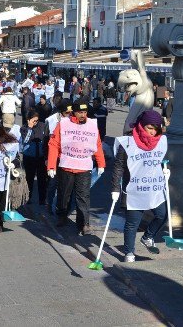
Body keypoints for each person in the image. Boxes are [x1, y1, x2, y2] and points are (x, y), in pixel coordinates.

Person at [111, 110, 169, 263]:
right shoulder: (128, 142)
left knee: (162, 214)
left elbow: (160, 159)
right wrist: (115, 188)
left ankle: (148, 236)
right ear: (142, 126)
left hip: (154, 188)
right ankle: (129, 252)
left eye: (156, 128)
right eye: (150, 127)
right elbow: (118, 167)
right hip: (135, 189)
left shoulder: (160, 140)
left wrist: (165, 169)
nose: (153, 132)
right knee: (132, 223)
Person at [47, 99, 106, 234]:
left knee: (83, 196)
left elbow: (96, 144)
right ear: (73, 112)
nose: (83, 115)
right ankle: (62, 215)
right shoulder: (63, 124)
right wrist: (51, 166)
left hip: (84, 167)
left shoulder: (91, 125)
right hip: (66, 166)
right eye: (80, 112)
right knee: (64, 195)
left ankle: (84, 223)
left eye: (85, 112)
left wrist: (101, 163)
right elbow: (54, 144)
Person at [43, 99, 72, 212]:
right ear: (61, 112)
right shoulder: (50, 120)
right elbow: (46, 141)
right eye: (67, 113)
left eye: (70, 113)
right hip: (54, 157)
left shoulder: (72, 120)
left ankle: (61, 207)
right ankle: (49, 204)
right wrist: (46, 158)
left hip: (67, 157)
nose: (69, 115)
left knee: (64, 184)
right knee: (52, 183)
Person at [21, 110, 47, 205]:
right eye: (33, 121)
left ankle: (42, 199)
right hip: (29, 157)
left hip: (41, 156)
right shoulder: (24, 128)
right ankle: (28, 197)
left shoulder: (42, 125)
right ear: (29, 120)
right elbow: (25, 140)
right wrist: (29, 128)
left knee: (42, 179)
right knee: (29, 179)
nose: (35, 122)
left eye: (36, 120)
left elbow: (46, 138)